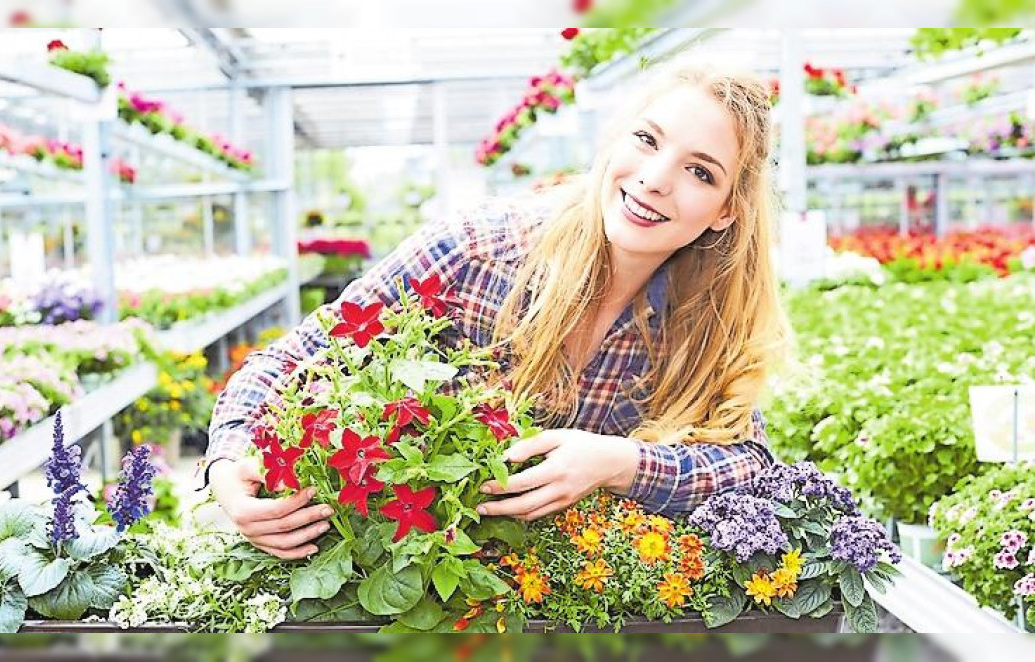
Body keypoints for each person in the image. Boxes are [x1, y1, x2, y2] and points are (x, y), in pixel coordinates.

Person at [205, 62, 791, 560]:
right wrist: (229, 465)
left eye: (699, 172)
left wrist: (619, 462)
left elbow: (751, 465)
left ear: (725, 212)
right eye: (646, 140)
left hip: (565, 605)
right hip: (420, 579)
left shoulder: (702, 315)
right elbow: (289, 362)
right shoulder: (478, 250)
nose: (655, 179)